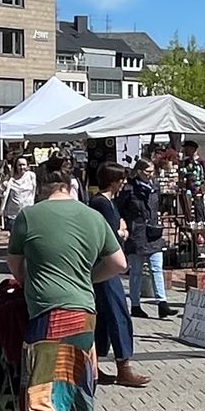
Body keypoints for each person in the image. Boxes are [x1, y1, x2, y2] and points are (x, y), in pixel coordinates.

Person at [8, 167, 127, 411]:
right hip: (84, 315)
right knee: (75, 393)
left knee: (40, 397)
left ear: (41, 187)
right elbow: (118, 264)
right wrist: (87, 279)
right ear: (71, 185)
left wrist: (35, 278)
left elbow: (15, 267)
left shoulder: (29, 217)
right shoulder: (92, 217)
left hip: (48, 316)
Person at [88, 162, 149, 388]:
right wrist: (121, 232)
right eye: (120, 179)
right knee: (116, 312)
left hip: (108, 264)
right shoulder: (100, 204)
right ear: (113, 180)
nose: (123, 183)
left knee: (104, 315)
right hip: (106, 266)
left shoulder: (108, 202)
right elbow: (108, 233)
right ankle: (123, 365)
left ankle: (95, 365)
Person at [119, 160, 173, 319]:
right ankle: (135, 304)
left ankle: (162, 302)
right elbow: (121, 208)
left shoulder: (154, 187)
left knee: (157, 267)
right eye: (147, 171)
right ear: (139, 171)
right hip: (137, 233)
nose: (150, 174)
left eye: (152, 171)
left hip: (153, 232)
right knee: (136, 271)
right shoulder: (129, 189)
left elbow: (159, 205)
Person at [0, 158, 36, 234]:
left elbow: (34, 191)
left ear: (27, 165)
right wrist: (4, 186)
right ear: (16, 166)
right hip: (13, 215)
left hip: (28, 213)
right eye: (19, 165)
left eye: (24, 165)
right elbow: (1, 194)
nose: (22, 167)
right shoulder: (11, 179)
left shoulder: (31, 176)